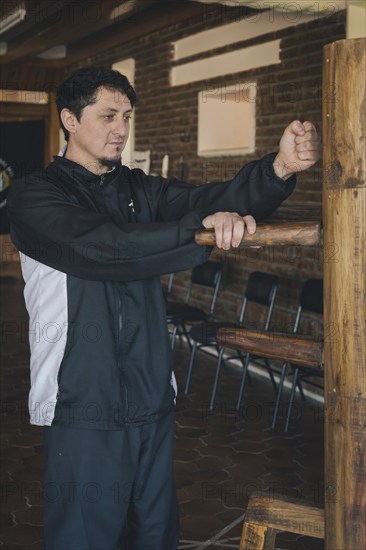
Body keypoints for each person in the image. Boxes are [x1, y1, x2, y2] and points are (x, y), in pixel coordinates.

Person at [7, 66, 320, 550]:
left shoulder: (138, 190)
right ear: (69, 119)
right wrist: (198, 232)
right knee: (85, 538)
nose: (121, 129)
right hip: (83, 400)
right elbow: (105, 248)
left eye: (127, 116)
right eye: (108, 115)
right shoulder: (35, 197)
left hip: (151, 391)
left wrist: (277, 170)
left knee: (154, 533)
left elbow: (210, 199)